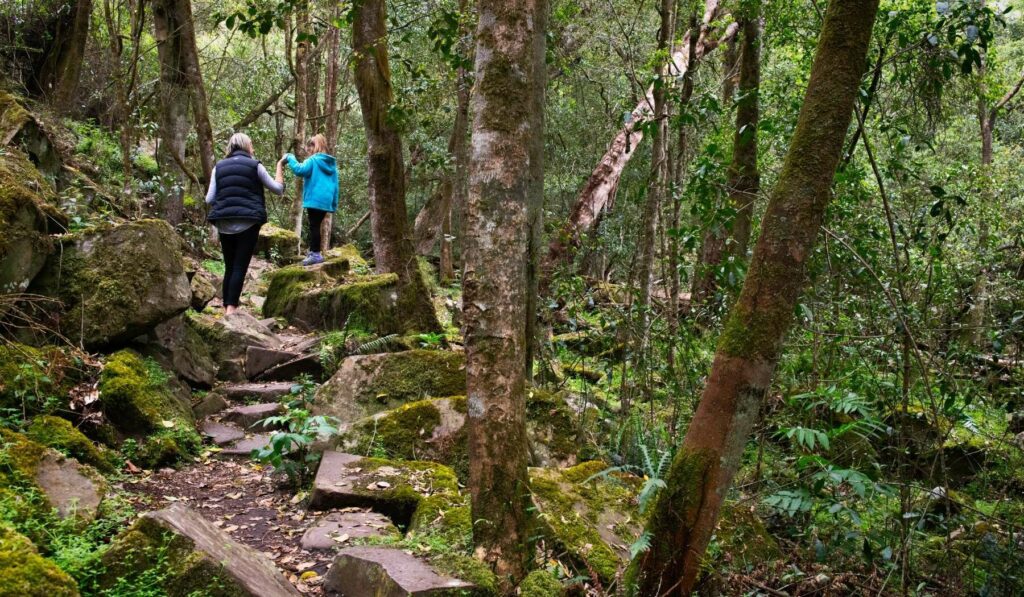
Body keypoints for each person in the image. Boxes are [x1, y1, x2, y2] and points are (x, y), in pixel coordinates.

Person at [206, 133, 285, 315]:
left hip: (224, 222)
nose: (253, 148)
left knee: (230, 266)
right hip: (248, 222)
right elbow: (278, 189)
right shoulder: (255, 165)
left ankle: (227, 307)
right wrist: (279, 166)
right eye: (251, 145)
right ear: (246, 146)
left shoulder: (218, 167)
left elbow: (209, 198)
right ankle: (231, 310)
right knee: (240, 266)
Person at [283, 133, 339, 266]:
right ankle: (315, 252)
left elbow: (299, 170)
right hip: (325, 200)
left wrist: (290, 157)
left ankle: (315, 254)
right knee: (316, 225)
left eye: (309, 148)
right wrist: (333, 204)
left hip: (314, 198)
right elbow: (336, 185)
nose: (308, 151)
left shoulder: (313, 160)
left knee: (314, 226)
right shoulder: (331, 164)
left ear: (314, 147)